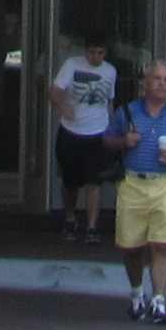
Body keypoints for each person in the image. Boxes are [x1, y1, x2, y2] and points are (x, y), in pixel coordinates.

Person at [111, 56, 166, 324]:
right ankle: (137, 292)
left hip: (165, 184)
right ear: (145, 83)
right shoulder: (128, 112)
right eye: (156, 78)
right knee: (131, 247)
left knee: (161, 244)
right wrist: (124, 141)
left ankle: (159, 301)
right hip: (133, 183)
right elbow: (106, 141)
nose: (162, 84)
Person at [50, 34, 119, 240]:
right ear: (85, 51)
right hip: (71, 131)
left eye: (100, 53)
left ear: (105, 53)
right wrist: (63, 104)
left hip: (97, 131)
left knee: (95, 181)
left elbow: (109, 101)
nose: (95, 57)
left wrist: (112, 127)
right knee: (70, 181)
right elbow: (54, 90)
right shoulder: (72, 65)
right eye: (92, 52)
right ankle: (70, 217)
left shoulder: (110, 71)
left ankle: (92, 226)